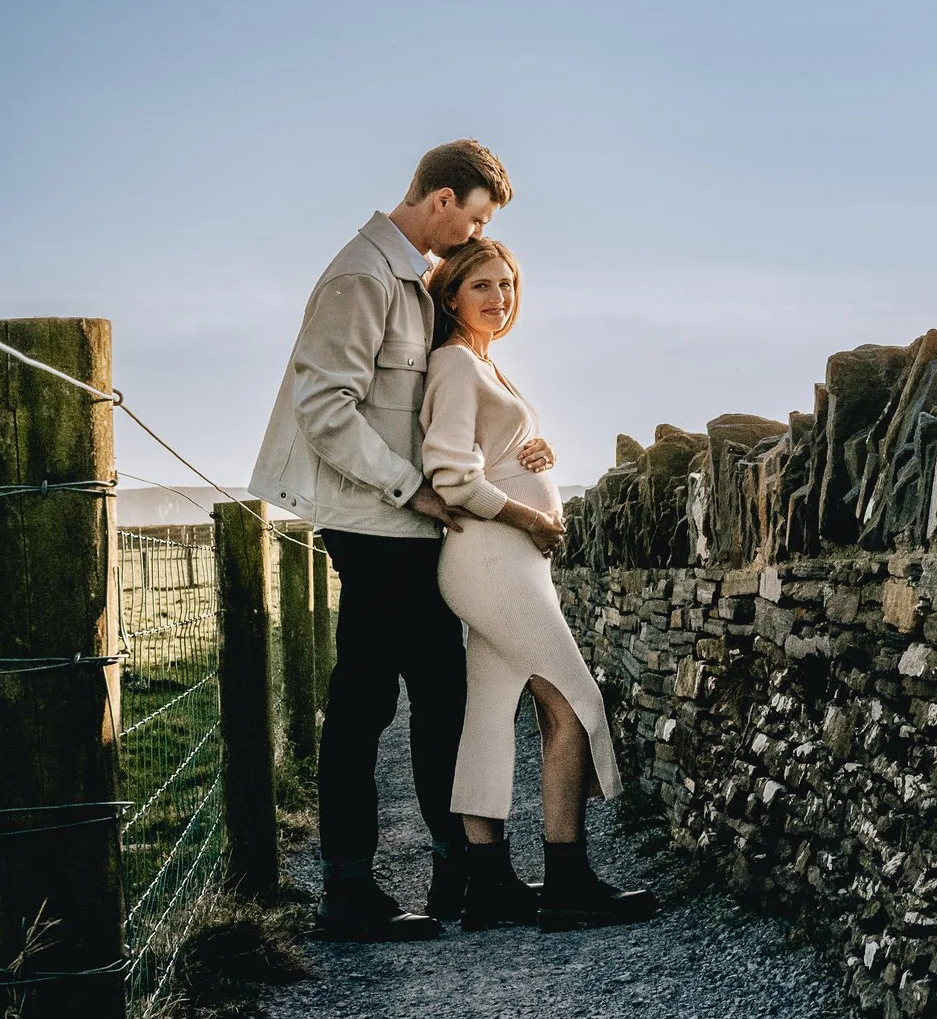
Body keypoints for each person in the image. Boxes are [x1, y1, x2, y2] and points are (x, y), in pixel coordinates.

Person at [250, 139, 543, 942]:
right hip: (376, 523)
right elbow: (327, 407)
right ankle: (351, 889)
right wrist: (413, 489)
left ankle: (460, 871)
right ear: (441, 198)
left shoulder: (413, 279)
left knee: (438, 691)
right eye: (475, 215)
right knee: (368, 702)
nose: (475, 231)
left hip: (408, 526)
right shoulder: (362, 275)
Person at [421, 238, 655, 931]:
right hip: (491, 558)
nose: (500, 298)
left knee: (491, 713)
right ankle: (569, 879)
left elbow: (488, 456)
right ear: (451, 296)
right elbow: (451, 474)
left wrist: (538, 451)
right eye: (483, 287)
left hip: (506, 560)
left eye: (508, 285)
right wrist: (532, 515)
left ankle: (489, 885)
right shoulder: (455, 364)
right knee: (574, 702)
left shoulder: (484, 365)